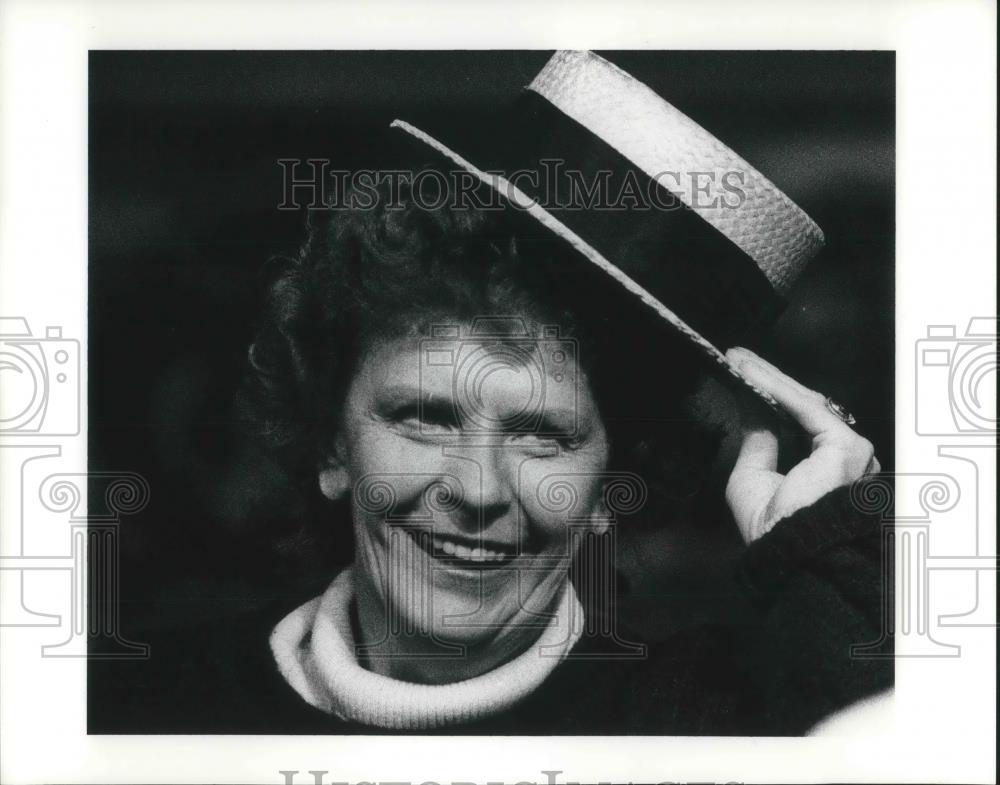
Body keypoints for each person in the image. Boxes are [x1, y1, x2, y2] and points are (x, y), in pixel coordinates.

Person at [91, 51, 892, 735]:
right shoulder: (134, 704)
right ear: (333, 444)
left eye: (544, 433)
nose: (479, 487)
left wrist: (819, 567)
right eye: (425, 416)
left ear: (611, 485)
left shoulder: (718, 719)